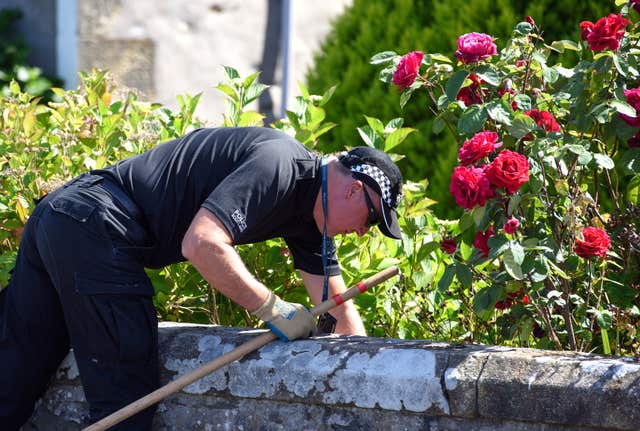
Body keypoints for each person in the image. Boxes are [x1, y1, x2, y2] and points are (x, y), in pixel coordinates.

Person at [0, 126, 403, 429]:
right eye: (372, 219)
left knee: (12, 378)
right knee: (126, 402)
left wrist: (369, 377)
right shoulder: (278, 165)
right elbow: (202, 243)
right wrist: (273, 309)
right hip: (94, 224)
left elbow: (339, 307)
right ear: (353, 190)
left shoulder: (309, 220)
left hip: (65, 217)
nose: (364, 232)